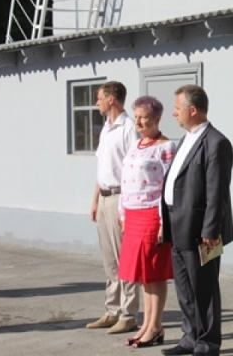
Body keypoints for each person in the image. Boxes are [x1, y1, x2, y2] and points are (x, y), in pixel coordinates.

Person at [160, 84, 233, 356]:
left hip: (203, 231)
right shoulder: (186, 139)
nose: (174, 113)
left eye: (177, 108)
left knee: (205, 288)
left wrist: (211, 230)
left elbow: (217, 191)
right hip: (177, 225)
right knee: (184, 287)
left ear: (192, 110)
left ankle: (207, 343)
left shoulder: (216, 142)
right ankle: (190, 337)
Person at [117, 95, 176, 348]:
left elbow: (169, 186)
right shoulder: (135, 145)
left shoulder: (166, 147)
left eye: (145, 118)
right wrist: (122, 213)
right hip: (132, 214)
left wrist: (164, 221)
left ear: (157, 118)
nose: (140, 122)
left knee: (154, 272)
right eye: (137, 117)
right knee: (142, 274)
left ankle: (155, 325)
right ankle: (146, 324)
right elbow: (125, 180)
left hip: (152, 213)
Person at [87, 81, 139, 334]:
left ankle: (128, 314)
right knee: (109, 259)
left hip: (121, 197)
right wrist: (95, 199)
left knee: (124, 259)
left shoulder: (128, 128)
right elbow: (102, 168)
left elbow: (134, 168)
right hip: (105, 197)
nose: (96, 102)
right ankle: (112, 310)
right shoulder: (106, 128)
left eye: (99, 98)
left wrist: (127, 207)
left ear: (112, 99)